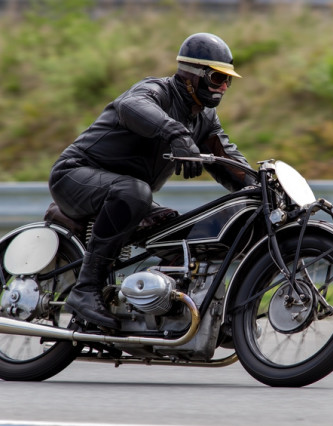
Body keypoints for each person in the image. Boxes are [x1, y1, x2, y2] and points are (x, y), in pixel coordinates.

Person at [48, 33, 256, 330]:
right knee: (134, 192)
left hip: (128, 193)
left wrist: (260, 185)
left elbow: (228, 159)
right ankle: (85, 289)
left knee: (178, 234)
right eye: (216, 77)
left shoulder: (205, 118)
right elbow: (131, 106)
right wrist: (177, 134)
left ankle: (159, 309)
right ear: (192, 75)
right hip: (74, 174)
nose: (223, 86)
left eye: (228, 80)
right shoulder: (155, 91)